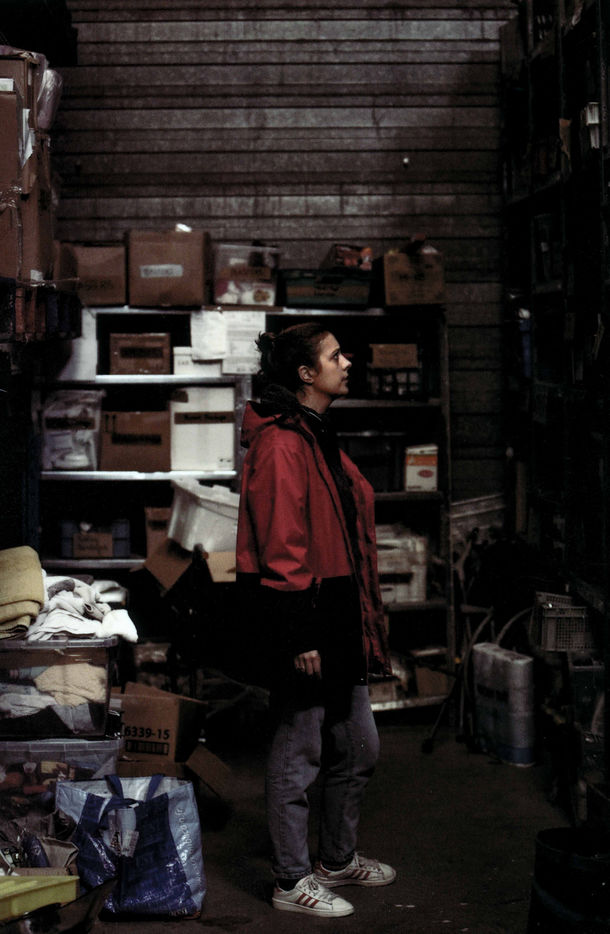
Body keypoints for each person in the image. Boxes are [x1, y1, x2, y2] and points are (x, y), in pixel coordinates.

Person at [236, 321, 396, 919]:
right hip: (302, 614)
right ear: (306, 374)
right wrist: (300, 633)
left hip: (337, 607)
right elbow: (283, 545)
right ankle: (290, 879)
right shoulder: (281, 444)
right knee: (298, 749)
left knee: (358, 745)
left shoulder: (315, 432)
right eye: (334, 356)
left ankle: (336, 859)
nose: (346, 362)